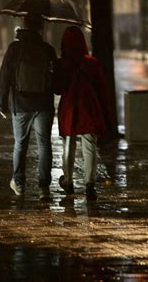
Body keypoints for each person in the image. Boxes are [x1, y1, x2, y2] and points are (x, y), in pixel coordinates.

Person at [0, 14, 58, 201]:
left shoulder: (15, 48)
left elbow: (5, 75)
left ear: (24, 25)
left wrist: (2, 102)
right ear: (41, 28)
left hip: (21, 104)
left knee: (20, 144)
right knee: (44, 144)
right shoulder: (47, 49)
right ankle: (44, 188)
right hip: (44, 104)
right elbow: (55, 78)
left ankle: (19, 183)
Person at [57, 26, 113, 201]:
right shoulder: (92, 63)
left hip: (70, 108)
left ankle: (68, 181)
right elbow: (102, 90)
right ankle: (89, 184)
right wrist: (107, 114)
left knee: (69, 143)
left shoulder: (62, 63)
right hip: (89, 109)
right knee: (90, 146)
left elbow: (57, 89)